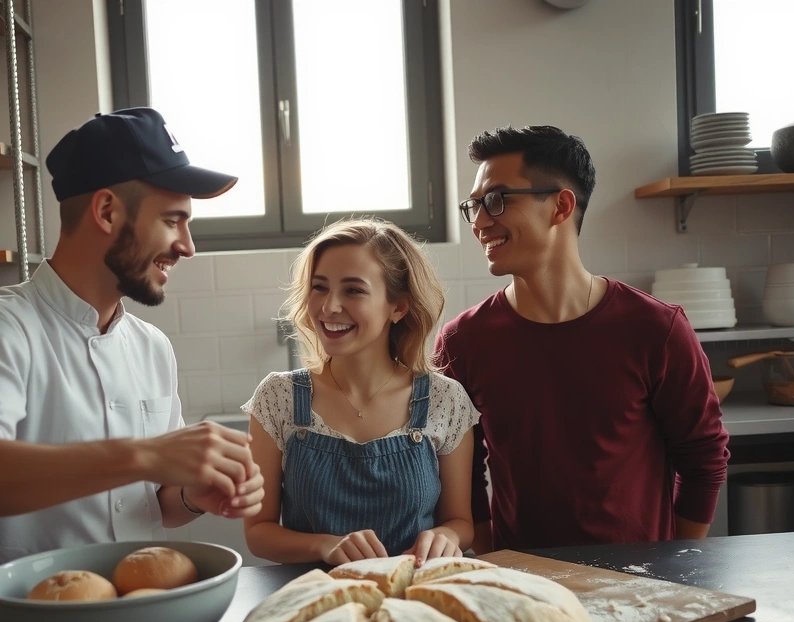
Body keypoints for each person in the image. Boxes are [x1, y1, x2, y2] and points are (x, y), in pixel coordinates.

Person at [0, 108, 264, 583]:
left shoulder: (151, 347)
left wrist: (190, 496)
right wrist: (142, 454)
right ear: (106, 211)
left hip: (133, 617)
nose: (187, 246)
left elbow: (152, 502)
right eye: (173, 220)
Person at [434, 125, 730, 554]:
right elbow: (463, 474)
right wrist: (495, 563)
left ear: (561, 206)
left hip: (639, 585)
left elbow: (704, 458)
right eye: (474, 206)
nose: (479, 221)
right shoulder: (463, 340)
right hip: (526, 587)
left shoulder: (655, 329)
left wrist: (673, 563)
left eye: (496, 200)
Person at [241, 218, 481, 566]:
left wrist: (446, 536)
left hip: (414, 597)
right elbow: (259, 531)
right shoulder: (277, 397)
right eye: (319, 287)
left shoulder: (446, 400)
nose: (329, 306)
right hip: (314, 596)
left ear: (399, 307)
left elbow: (460, 522)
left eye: (353, 290)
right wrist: (325, 546)